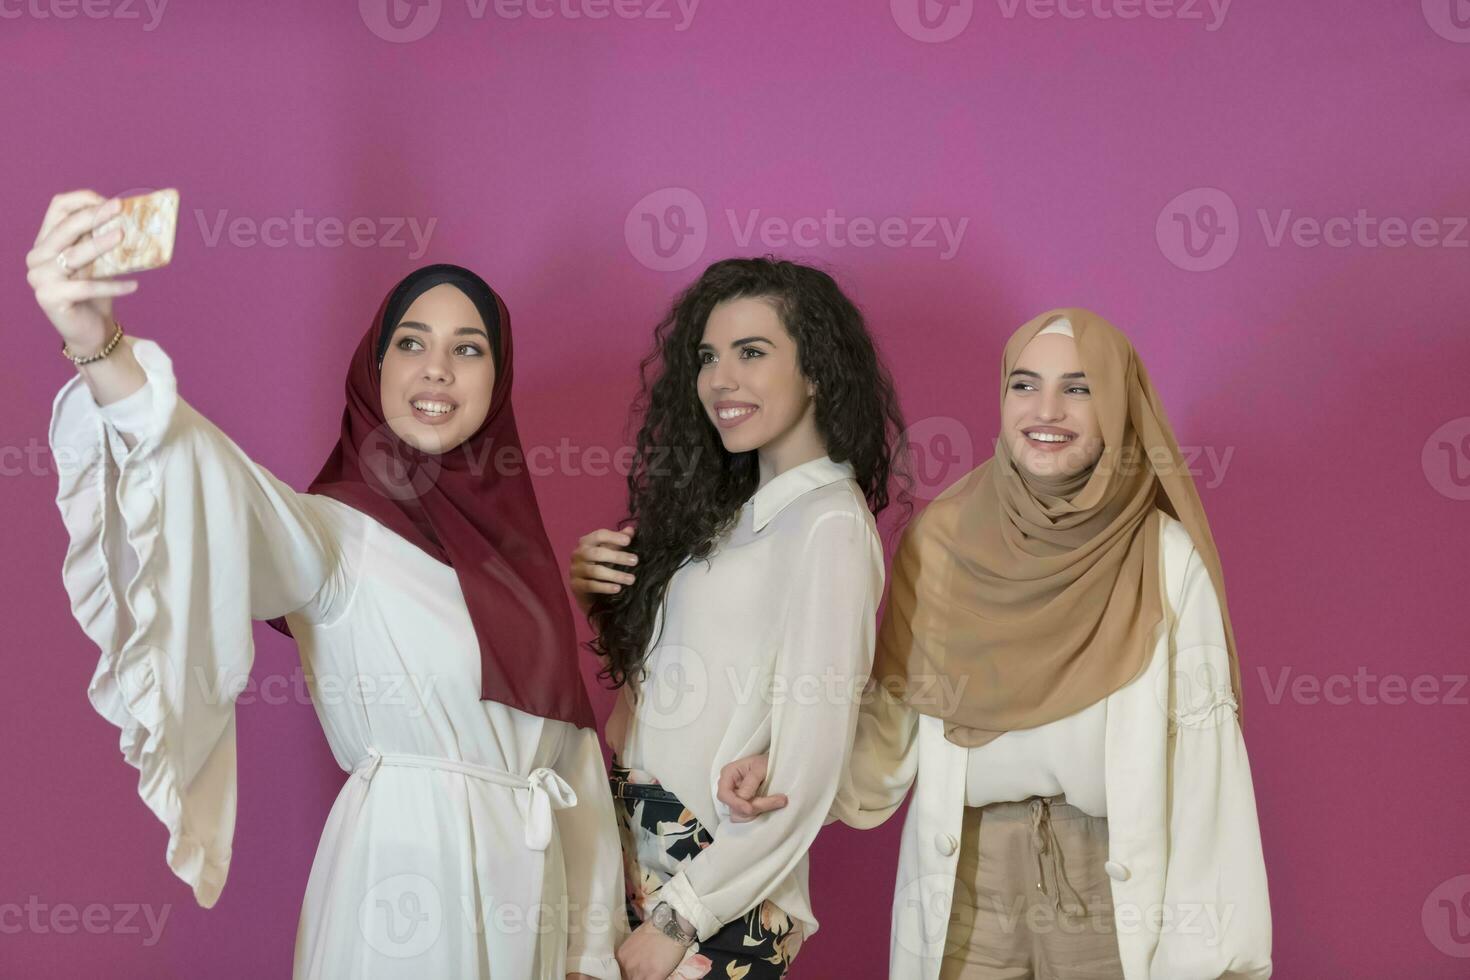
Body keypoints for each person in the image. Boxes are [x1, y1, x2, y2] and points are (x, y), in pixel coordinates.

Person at [32, 189, 626, 979]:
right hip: (404, 888)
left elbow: (569, 766)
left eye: (470, 348)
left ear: (498, 377)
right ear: (375, 368)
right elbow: (216, 483)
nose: (438, 369)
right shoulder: (334, 534)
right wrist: (101, 348)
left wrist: (588, 953)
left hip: (532, 907)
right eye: (411, 343)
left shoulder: (520, 563)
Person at [718, 310, 1273, 979]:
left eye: (1079, 387)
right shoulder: (944, 542)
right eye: (1024, 385)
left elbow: (1207, 777)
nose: (1046, 410)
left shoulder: (1164, 559)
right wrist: (783, 762)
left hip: (1112, 889)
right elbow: (889, 726)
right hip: (966, 885)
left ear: (1118, 405)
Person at [567, 257, 908, 979]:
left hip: (711, 883)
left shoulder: (829, 526)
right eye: (708, 357)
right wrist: (606, 600)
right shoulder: (728, 518)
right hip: (638, 843)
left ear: (815, 369)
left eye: (752, 353)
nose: (721, 379)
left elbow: (809, 765)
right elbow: (675, 694)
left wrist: (678, 915)